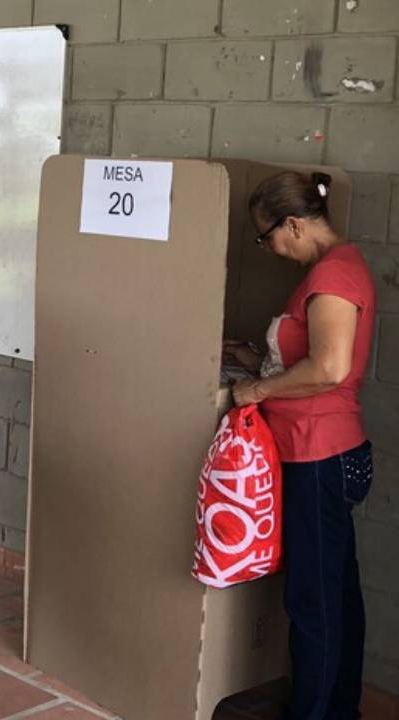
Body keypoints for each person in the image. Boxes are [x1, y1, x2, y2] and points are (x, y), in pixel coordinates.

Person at [226, 171, 375, 720]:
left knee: (314, 602)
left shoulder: (334, 275)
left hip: (319, 453)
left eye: (266, 238)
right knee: (336, 594)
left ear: (293, 223)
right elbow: (311, 357)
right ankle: (337, 707)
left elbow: (329, 368)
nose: (268, 249)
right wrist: (253, 358)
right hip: (328, 452)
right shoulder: (336, 267)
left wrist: (256, 389)